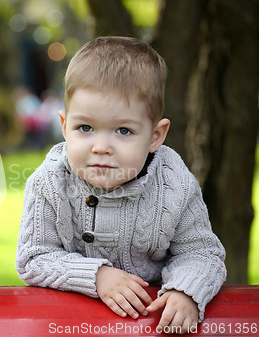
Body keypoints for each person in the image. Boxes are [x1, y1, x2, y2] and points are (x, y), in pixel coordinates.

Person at [15, 36, 226, 335]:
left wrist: (185, 290)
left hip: (149, 319)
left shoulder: (173, 183)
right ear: (64, 126)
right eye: (84, 128)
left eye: (123, 130)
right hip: (68, 321)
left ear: (155, 136)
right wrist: (96, 276)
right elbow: (34, 257)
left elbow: (202, 253)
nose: (101, 146)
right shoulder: (50, 182)